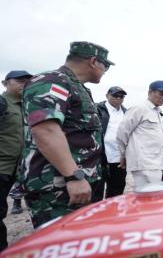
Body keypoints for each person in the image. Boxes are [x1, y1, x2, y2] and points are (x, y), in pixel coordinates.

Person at [20, 41, 113, 228]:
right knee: (61, 243)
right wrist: (74, 177)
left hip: (78, 184)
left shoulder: (76, 87)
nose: (106, 70)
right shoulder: (52, 81)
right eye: (106, 65)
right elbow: (46, 130)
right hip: (58, 187)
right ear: (94, 61)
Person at [117, 81, 163, 191]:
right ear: (150, 92)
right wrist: (123, 155)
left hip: (155, 163)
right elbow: (122, 133)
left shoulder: (156, 112)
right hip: (144, 164)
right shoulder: (139, 108)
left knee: (154, 197)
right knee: (146, 197)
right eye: (161, 94)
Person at [0, 70, 32, 250]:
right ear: (5, 83)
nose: (24, 84)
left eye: (27, 82)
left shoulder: (26, 105)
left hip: (18, 169)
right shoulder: (2, 102)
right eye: (19, 81)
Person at [95, 86, 128, 200]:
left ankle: (113, 214)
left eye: (121, 96)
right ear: (107, 95)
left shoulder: (126, 112)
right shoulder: (97, 109)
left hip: (119, 158)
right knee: (96, 191)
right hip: (100, 157)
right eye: (115, 95)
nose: (118, 98)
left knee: (117, 191)